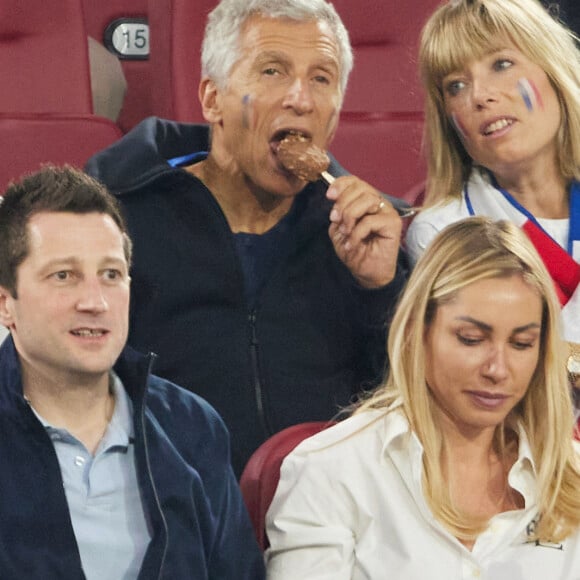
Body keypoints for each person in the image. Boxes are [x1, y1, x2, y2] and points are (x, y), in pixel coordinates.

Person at [86, 0, 408, 476]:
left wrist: (384, 290)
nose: (301, 98)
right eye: (273, 71)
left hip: (336, 512)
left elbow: (406, 408)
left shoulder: (370, 234)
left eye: (322, 78)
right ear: (212, 98)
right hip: (171, 514)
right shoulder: (116, 218)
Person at [266, 217, 580, 579]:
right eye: (471, 338)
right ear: (417, 330)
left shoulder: (569, 473)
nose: (498, 368)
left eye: (521, 344)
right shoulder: (331, 471)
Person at [0, 165, 264, 579]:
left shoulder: (191, 427)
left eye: (111, 275)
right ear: (5, 304)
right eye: (64, 276)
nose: (95, 302)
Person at [405, 0, 580, 393]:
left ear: (553, 68)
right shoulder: (441, 231)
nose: (480, 96)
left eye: (501, 64)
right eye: (456, 86)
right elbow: (507, 376)